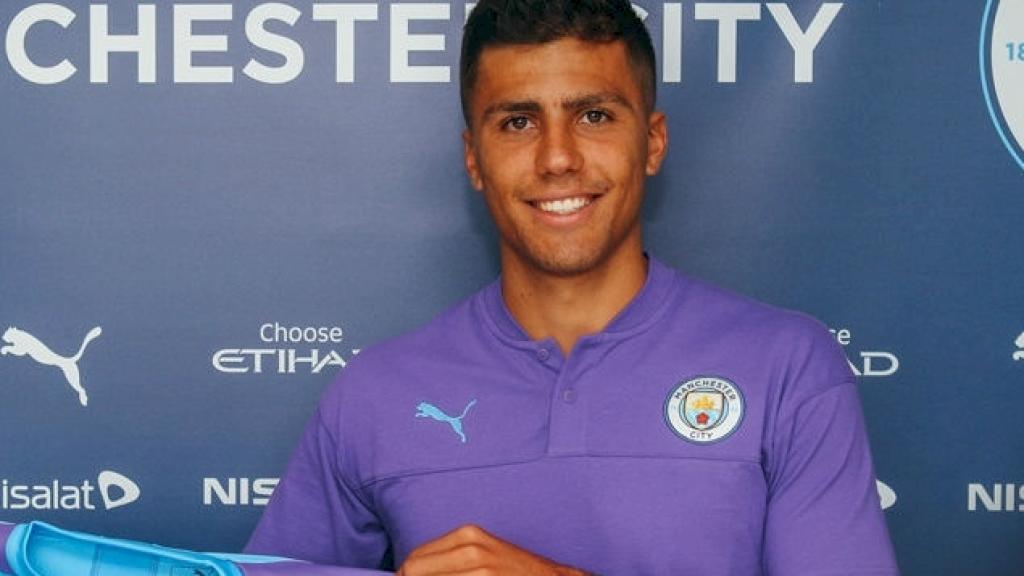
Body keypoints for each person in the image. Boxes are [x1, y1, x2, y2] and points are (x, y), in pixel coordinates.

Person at [245, 1, 900, 574]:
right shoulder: (374, 394)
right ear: (474, 158)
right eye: (518, 123)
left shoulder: (785, 367)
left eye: (592, 115)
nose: (557, 157)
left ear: (652, 141)